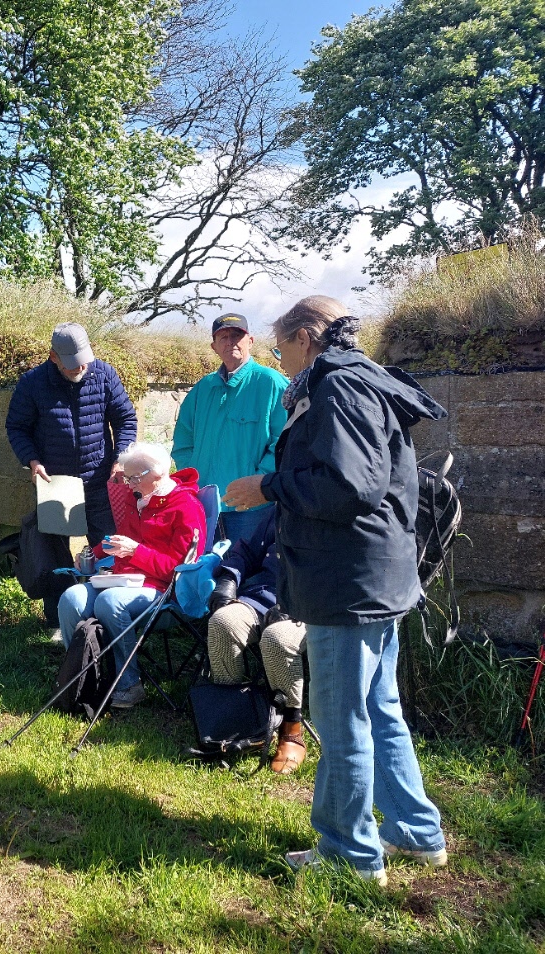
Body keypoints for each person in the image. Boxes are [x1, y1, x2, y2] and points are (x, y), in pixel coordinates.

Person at [223, 295, 448, 887]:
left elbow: (351, 486)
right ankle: (416, 833)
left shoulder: (338, 386)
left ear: (305, 338)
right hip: (371, 575)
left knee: (342, 717)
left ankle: (349, 852)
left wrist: (269, 486)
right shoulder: (358, 379)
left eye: (280, 349)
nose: (281, 361)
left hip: (349, 581)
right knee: (378, 709)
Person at [6, 322, 139, 624]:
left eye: (83, 359)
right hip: (56, 484)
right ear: (53, 357)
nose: (80, 367)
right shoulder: (32, 383)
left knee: (109, 547)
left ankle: (108, 616)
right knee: (54, 556)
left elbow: (125, 420)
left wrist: (120, 459)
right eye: (71, 362)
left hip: (100, 481)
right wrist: (32, 460)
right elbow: (17, 427)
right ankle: (59, 619)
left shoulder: (104, 374)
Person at [58, 442, 205, 709]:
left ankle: (129, 685)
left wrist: (136, 552)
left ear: (158, 472)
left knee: (110, 602)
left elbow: (179, 570)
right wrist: (93, 554)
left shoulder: (187, 507)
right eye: (127, 478)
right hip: (122, 580)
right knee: (71, 598)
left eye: (134, 478)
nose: (129, 485)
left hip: (164, 591)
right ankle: (80, 680)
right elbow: (121, 538)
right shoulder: (138, 498)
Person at [205, 509, 308, 773]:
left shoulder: (337, 510)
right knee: (223, 622)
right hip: (265, 596)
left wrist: (296, 603)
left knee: (277, 638)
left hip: (312, 607)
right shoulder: (283, 509)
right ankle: (237, 721)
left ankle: (291, 730)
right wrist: (229, 578)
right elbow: (248, 551)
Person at [172, 312, 288, 545]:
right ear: (214, 346)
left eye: (237, 336)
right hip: (205, 504)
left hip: (252, 507)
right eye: (223, 337)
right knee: (206, 566)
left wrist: (259, 483)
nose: (230, 342)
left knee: (248, 567)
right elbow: (183, 441)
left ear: (250, 341)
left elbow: (285, 441)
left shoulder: (271, 383)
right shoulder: (203, 388)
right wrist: (194, 480)